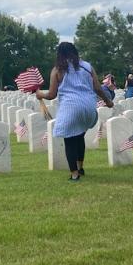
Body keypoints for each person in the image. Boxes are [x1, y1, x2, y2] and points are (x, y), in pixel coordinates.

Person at [36, 42, 113, 182]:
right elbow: (97, 87)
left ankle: (74, 174)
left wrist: (40, 94)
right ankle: (80, 167)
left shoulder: (57, 70)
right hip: (89, 107)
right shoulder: (87, 67)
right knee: (79, 136)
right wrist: (108, 101)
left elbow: (52, 94)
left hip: (71, 107)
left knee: (70, 140)